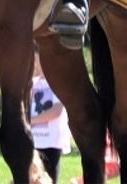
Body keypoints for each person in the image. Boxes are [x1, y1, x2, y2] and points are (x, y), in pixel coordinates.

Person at [30, 51, 71, 183]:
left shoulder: (57, 82)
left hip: (51, 143)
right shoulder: (32, 83)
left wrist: (32, 121)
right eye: (36, 60)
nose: (37, 64)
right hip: (34, 142)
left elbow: (57, 111)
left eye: (39, 60)